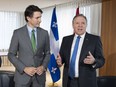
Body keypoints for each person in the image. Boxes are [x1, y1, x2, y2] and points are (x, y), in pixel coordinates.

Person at [56, 14, 105, 87]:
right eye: (77, 23)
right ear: (73, 25)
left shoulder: (95, 39)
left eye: (83, 23)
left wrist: (94, 61)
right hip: (69, 82)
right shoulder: (66, 39)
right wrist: (59, 62)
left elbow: (101, 60)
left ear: (86, 25)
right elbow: (62, 58)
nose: (80, 25)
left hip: (87, 82)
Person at [8, 5, 50, 87]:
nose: (40, 20)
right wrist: (24, 68)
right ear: (28, 18)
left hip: (39, 78)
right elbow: (11, 55)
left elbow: (47, 53)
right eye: (37, 18)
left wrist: (43, 66)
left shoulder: (44, 33)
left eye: (40, 17)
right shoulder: (17, 33)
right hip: (22, 78)